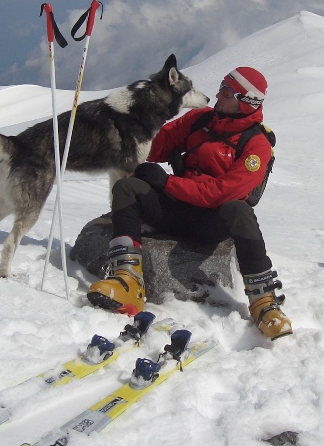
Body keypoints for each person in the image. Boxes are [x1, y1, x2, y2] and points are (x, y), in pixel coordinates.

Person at [87, 67, 292, 341]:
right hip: (176, 208)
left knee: (239, 209)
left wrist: (167, 183)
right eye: (222, 85)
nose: (219, 94)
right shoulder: (199, 120)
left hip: (210, 222)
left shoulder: (257, 145)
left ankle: (264, 302)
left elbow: (223, 192)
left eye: (228, 92)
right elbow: (154, 145)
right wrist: (134, 127)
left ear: (247, 102)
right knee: (127, 187)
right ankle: (127, 280)